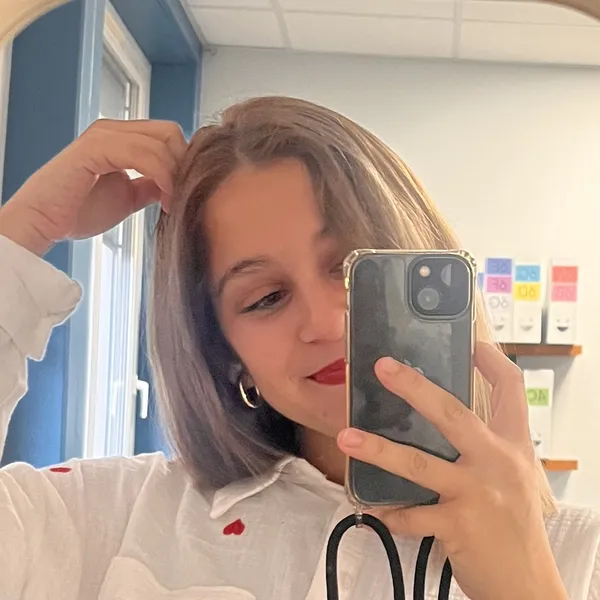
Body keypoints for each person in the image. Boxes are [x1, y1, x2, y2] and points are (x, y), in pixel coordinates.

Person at [0, 96, 598, 600]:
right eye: (266, 297)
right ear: (226, 352)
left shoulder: (582, 554)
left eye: (351, 269)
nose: (326, 322)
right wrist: (22, 233)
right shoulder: (101, 517)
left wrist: (526, 586)